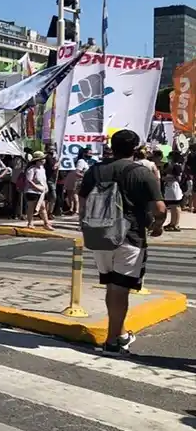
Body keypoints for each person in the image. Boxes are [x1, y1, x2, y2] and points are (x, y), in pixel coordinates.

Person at [79, 129, 166, 356]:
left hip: (99, 236)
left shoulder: (94, 171)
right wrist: (157, 226)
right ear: (136, 148)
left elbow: (82, 202)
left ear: (112, 146)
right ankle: (112, 341)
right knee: (120, 290)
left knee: (112, 287)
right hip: (129, 236)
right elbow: (159, 209)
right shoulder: (141, 173)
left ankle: (121, 333)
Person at [24, 151, 53, 230]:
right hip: (31, 191)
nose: (44, 160)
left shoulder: (43, 169)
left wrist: (45, 187)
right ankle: (30, 223)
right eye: (42, 159)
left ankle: (46, 223)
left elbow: (43, 180)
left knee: (42, 207)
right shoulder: (31, 169)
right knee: (31, 207)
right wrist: (36, 187)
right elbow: (29, 181)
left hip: (41, 192)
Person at [163, 161, 184, 231]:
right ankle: (172, 223)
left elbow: (179, 179)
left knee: (176, 206)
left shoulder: (176, 167)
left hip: (174, 188)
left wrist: (166, 179)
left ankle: (176, 224)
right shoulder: (169, 167)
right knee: (172, 207)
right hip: (169, 189)